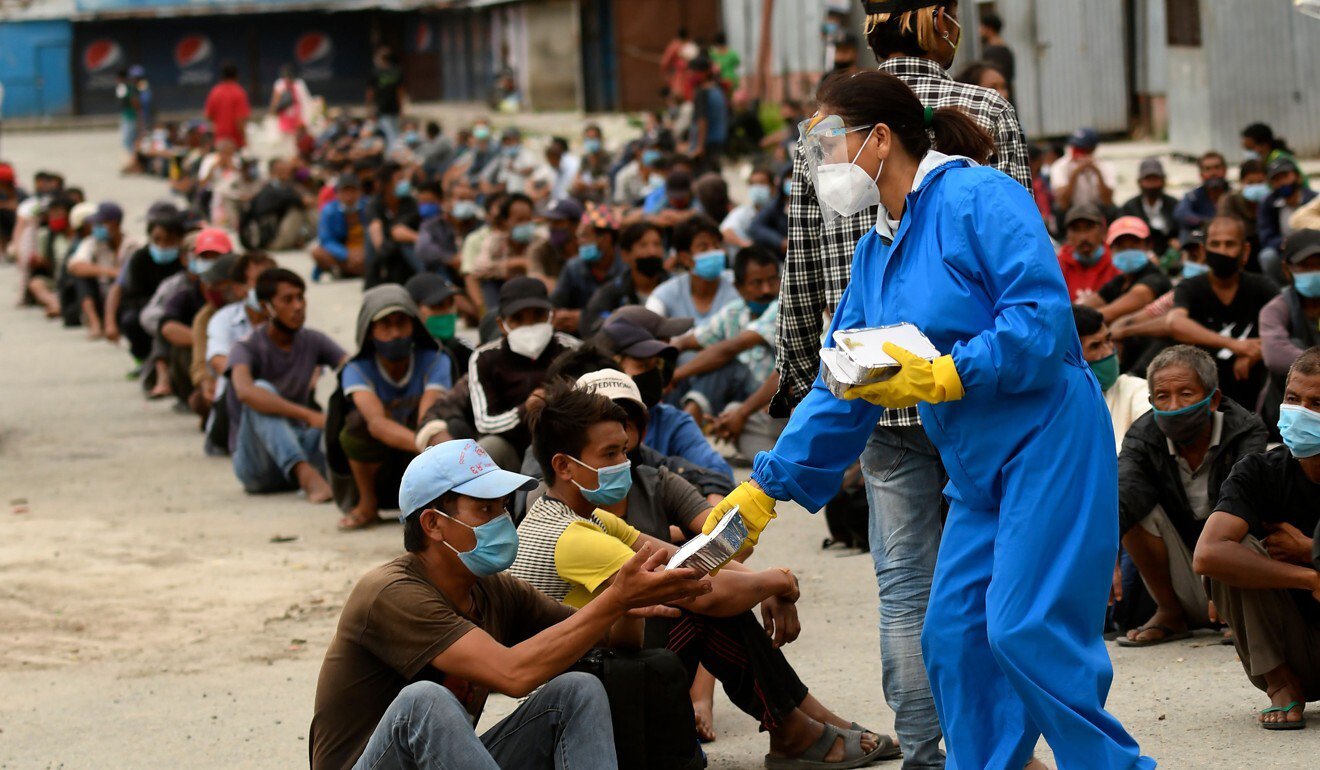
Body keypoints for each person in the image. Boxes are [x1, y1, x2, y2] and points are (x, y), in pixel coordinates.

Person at [703, 70, 1153, 770]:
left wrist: (952, 371)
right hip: (974, 466)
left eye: (828, 141)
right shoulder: (876, 251)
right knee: (952, 636)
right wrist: (763, 493)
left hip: (1048, 443)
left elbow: (1040, 318)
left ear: (879, 139)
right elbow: (842, 379)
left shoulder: (980, 196)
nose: (820, 162)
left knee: (1026, 630)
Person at [775, 6, 1032, 764]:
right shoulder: (987, 110)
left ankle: (933, 751)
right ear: (943, 27)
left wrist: (804, 375)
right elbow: (1014, 252)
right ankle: (994, 750)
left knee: (909, 591)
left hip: (880, 400)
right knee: (991, 588)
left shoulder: (825, 123)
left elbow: (798, 264)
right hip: (975, 396)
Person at [513, 383, 899, 768]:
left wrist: (763, 577)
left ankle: (804, 727)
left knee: (705, 598)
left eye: (624, 452)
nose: (622, 464)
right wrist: (775, 581)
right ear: (563, 465)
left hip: (609, 666)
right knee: (704, 611)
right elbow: (700, 589)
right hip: (582, 696)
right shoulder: (572, 537)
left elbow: (676, 555)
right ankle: (799, 731)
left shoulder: (587, 515)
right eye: (609, 454)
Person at [309, 438, 711, 770]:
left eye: (502, 506)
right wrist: (615, 599)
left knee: (578, 690)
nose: (502, 518)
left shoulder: (492, 589)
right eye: (485, 509)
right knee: (424, 702)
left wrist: (627, 605)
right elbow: (513, 674)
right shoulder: (391, 592)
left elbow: (608, 639)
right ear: (433, 524)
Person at [1193, 347, 1320, 729]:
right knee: (1233, 552)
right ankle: (1281, 684)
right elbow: (1208, 555)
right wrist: (1311, 577)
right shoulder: (1260, 472)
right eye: (1293, 399)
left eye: (1317, 403)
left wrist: (1310, 551)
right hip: (1293, 641)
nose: (1299, 412)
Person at [1115, 346, 1267, 647]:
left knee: (1245, 516)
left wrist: (1219, 578)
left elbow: (1246, 503)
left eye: (1186, 394)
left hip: (1236, 569)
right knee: (1132, 515)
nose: (1173, 407)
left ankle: (1239, 613)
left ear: (1214, 400)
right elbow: (1124, 494)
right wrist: (1103, 553)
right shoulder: (1142, 437)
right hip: (1185, 571)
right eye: (1162, 396)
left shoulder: (1245, 430)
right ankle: (1170, 613)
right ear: (1151, 402)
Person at [335, 286, 453, 530]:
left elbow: (427, 414)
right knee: (356, 425)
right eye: (385, 326)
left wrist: (428, 448)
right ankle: (367, 504)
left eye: (402, 323)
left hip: (424, 460)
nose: (395, 333)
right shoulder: (356, 369)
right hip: (384, 464)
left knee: (444, 422)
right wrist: (426, 447)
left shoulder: (435, 359)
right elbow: (377, 424)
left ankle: (440, 505)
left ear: (414, 326)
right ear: (369, 332)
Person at [226, 268, 346, 500]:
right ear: (266, 306)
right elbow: (245, 392)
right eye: (287, 300)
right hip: (258, 464)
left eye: (300, 297)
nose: (298, 306)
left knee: (351, 395)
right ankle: (304, 473)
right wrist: (308, 415)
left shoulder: (313, 340)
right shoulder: (247, 346)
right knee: (261, 391)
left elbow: (352, 368)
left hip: (301, 443)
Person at [593, 310, 733, 479]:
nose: (656, 374)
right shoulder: (581, 425)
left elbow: (718, 474)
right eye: (643, 365)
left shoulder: (670, 421)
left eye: (657, 364)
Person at [670, 246, 784, 452]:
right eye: (757, 283)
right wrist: (669, 355)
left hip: (779, 400)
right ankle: (687, 434)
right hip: (748, 402)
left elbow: (729, 349)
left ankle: (685, 437)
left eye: (772, 280)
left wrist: (673, 377)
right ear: (739, 287)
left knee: (726, 366)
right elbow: (693, 340)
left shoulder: (782, 308)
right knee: (691, 362)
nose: (766, 289)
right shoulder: (734, 312)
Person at [467, 277, 579, 469]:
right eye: (518, 319)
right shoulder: (485, 358)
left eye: (538, 316)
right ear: (502, 325)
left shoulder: (572, 351)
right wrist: (526, 410)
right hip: (511, 451)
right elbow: (485, 422)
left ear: (551, 316)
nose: (530, 326)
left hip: (564, 446)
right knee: (487, 448)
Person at [1167, 216, 1277, 410]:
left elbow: (1284, 330)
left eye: (1230, 244)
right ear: (1203, 250)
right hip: (1203, 394)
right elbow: (1175, 324)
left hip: (1252, 394)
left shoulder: (1262, 286)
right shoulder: (1190, 287)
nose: (1222, 252)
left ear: (1245, 251)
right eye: (1215, 244)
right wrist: (1235, 345)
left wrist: (1257, 353)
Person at [203, 251, 276, 455]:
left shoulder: (287, 320)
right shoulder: (223, 319)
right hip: (232, 409)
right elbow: (218, 360)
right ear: (239, 288)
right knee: (249, 385)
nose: (268, 288)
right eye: (260, 281)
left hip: (280, 400)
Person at [105, 206, 187, 365]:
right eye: (157, 240)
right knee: (131, 320)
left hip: (179, 310)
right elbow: (132, 294)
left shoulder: (184, 260)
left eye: (169, 240)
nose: (162, 246)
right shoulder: (139, 258)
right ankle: (143, 359)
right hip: (147, 308)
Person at [1259, 230, 1320, 430]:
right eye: (1305, 266)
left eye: (1318, 264)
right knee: (1296, 349)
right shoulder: (1277, 308)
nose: (1314, 271)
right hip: (1293, 405)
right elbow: (1275, 355)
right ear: (1287, 270)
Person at [1073, 305, 1150, 453]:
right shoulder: (1053, 406)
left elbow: (1147, 441)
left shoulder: (1135, 389)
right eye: (1095, 346)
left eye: (1108, 340)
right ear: (1072, 356)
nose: (1108, 351)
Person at [645, 215, 739, 325]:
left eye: (717, 245)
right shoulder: (665, 295)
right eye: (703, 248)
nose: (713, 252)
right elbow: (646, 330)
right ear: (685, 258)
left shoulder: (739, 284)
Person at [582, 221, 670, 337]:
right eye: (643, 245)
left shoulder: (675, 288)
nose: (652, 252)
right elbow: (593, 328)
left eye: (657, 244)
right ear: (625, 255)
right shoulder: (612, 293)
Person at [551, 203, 627, 334]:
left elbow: (630, 316)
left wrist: (586, 319)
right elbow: (555, 305)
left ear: (605, 239)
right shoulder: (573, 268)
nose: (579, 241)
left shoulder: (626, 268)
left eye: (584, 236)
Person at [1079, 216, 1172, 323]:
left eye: (1134, 245)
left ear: (1148, 245)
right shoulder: (1120, 281)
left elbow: (1108, 314)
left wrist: (1075, 318)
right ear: (1111, 249)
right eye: (1121, 246)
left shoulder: (1155, 280)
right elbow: (1087, 305)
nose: (1128, 251)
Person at [67, 202, 134, 339]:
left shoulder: (133, 245)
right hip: (100, 296)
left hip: (123, 298)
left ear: (114, 223)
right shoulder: (92, 243)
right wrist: (111, 272)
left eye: (101, 223)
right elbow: (75, 266)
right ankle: (95, 323)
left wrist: (119, 276)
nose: (96, 228)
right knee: (81, 278)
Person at [470, 193, 536, 313]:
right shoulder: (496, 241)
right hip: (505, 292)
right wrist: (514, 263)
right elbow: (479, 269)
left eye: (528, 219)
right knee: (489, 283)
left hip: (533, 292)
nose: (525, 224)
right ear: (505, 221)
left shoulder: (539, 240)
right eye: (519, 220)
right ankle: (495, 316)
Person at [1258, 157, 1318, 286]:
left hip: (1314, 250)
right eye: (1276, 179)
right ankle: (1281, 291)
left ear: (1297, 176)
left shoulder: (1314, 200)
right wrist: (1283, 243)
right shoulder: (1267, 204)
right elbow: (1265, 236)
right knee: (1267, 256)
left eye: (1285, 176)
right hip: (1284, 252)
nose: (1282, 183)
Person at [405, 272, 473, 379]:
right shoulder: (403, 354)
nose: (448, 311)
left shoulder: (462, 350)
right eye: (437, 306)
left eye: (451, 303)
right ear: (413, 310)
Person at [312, 174, 370, 279]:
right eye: (345, 191)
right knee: (318, 252)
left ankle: (349, 271)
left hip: (365, 251)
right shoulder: (329, 210)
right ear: (337, 193)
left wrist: (365, 251)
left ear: (360, 192)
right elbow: (326, 240)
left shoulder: (369, 206)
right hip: (343, 253)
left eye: (353, 191)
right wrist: (346, 254)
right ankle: (352, 270)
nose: (349, 196)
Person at [1057, 203, 1118, 303]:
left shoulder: (1117, 263)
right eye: (1076, 229)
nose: (1083, 237)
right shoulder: (1058, 266)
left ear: (1103, 230)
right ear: (1067, 235)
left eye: (1089, 228)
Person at [1120, 157, 1179, 257]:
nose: (1152, 184)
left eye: (1155, 179)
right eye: (1148, 179)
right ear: (1140, 182)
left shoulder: (1174, 204)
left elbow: (1181, 229)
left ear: (1163, 180)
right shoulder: (1129, 207)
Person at [1051, 127, 1115, 212]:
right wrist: (1075, 173)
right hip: (1071, 210)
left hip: (1097, 210)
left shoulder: (1104, 166)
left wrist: (1097, 172)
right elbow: (1063, 203)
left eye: (1082, 148)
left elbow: (1108, 202)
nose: (1076, 151)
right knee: (1058, 209)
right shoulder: (1060, 166)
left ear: (1092, 149)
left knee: (1113, 210)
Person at [527, 197, 582, 292]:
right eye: (549, 221)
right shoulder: (540, 250)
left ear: (576, 225)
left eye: (558, 222)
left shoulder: (587, 251)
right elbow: (536, 282)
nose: (552, 227)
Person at [1173, 152, 1230, 243]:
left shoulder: (1233, 195)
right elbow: (1181, 214)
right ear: (1201, 174)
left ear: (1225, 170)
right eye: (1208, 169)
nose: (1213, 173)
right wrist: (1205, 222)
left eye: (1217, 168)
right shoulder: (1193, 196)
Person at [687, 56, 729, 176]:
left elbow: (702, 120)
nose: (690, 76)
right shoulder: (717, 90)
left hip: (705, 144)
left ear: (704, 73)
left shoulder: (702, 93)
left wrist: (699, 146)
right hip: (718, 142)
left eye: (692, 72)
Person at [721, 167, 775, 248]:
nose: (757, 188)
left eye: (761, 183)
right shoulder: (744, 212)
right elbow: (725, 231)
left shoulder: (781, 211)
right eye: (753, 184)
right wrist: (747, 246)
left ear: (772, 187)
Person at [204, 63, 251, 150]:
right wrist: (245, 140)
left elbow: (208, 116)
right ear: (236, 76)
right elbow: (240, 120)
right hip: (235, 141)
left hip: (219, 139)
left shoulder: (215, 92)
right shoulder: (239, 92)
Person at [367, 47, 405, 148]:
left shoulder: (376, 72)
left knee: (388, 134)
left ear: (381, 58)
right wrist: (401, 107)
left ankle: (391, 155)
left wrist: (369, 107)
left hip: (382, 107)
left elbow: (370, 92)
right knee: (394, 132)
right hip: (394, 107)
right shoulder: (397, 71)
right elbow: (400, 92)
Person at [978, 12, 1015, 102]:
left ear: (989, 28)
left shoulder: (993, 51)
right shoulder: (1005, 48)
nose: (979, 30)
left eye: (982, 27)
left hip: (999, 98)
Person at [268, 65, 310, 140]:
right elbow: (275, 101)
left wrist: (305, 118)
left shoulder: (299, 85)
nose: (287, 80)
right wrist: (272, 112)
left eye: (288, 77)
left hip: (297, 116)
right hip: (284, 116)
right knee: (284, 135)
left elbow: (304, 101)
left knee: (296, 136)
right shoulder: (279, 84)